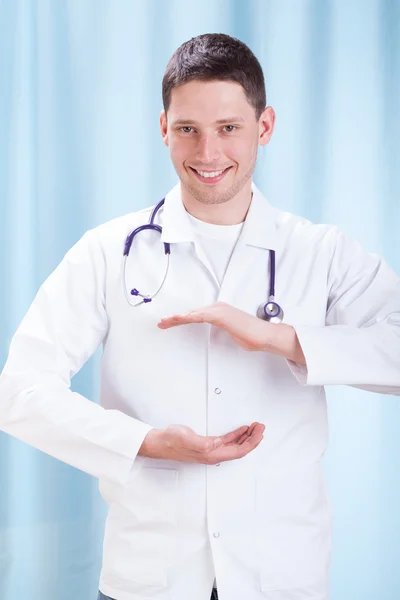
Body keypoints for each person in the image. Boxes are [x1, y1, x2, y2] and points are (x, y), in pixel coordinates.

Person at [0, 32, 399, 600]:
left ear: (264, 127)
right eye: (188, 129)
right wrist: (142, 442)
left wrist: (282, 339)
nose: (208, 153)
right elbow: (17, 392)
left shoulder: (321, 253)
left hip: (281, 576)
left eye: (229, 128)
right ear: (163, 128)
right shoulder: (108, 251)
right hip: (149, 577)